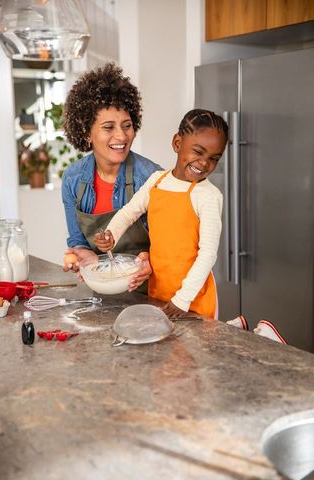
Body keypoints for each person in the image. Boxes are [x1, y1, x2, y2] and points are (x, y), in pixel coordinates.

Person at [94, 109, 228, 318]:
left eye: (214, 158)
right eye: (198, 151)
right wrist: (111, 235)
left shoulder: (209, 196)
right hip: (158, 291)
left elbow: (208, 254)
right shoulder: (157, 180)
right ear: (177, 143)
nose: (204, 163)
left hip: (193, 299)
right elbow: (129, 212)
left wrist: (182, 299)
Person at [61, 63, 162, 287]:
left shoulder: (152, 177)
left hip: (151, 291)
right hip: (103, 290)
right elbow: (78, 240)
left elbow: (170, 246)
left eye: (127, 125)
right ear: (87, 132)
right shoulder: (72, 179)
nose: (121, 136)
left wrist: (150, 263)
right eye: (108, 127)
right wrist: (84, 256)